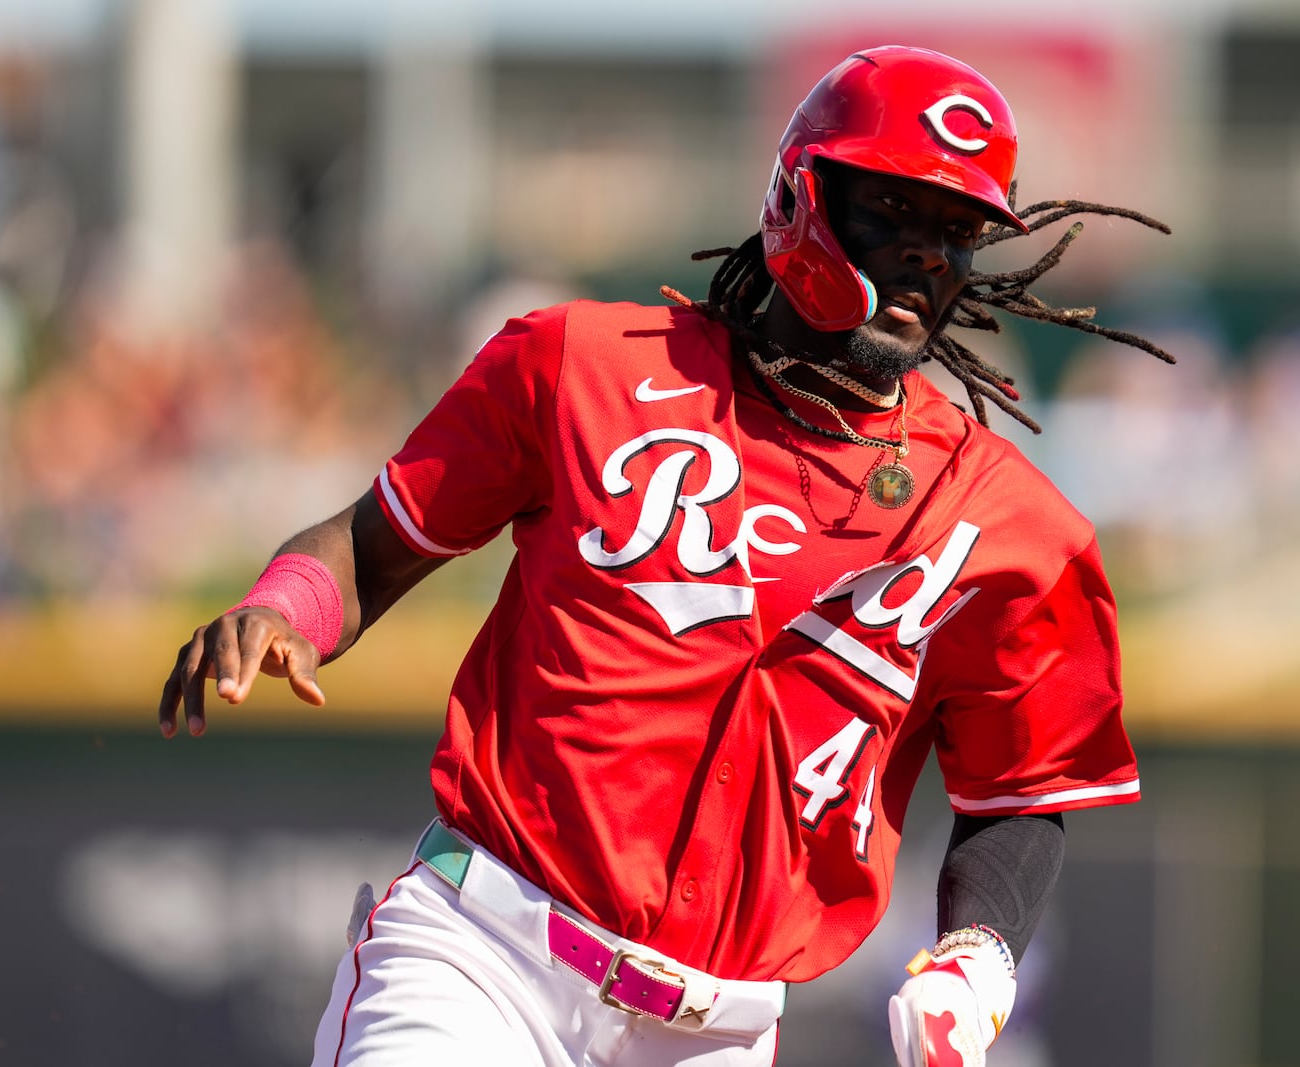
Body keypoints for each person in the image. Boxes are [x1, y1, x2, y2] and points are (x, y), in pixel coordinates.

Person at [159, 44, 1173, 1067]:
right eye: (893, 211)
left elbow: (1020, 790)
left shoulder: (1012, 521)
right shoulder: (584, 366)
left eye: (956, 231)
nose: (925, 253)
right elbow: (372, 542)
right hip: (484, 958)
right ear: (799, 196)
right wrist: (286, 606)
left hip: (715, 1030)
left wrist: (978, 952)